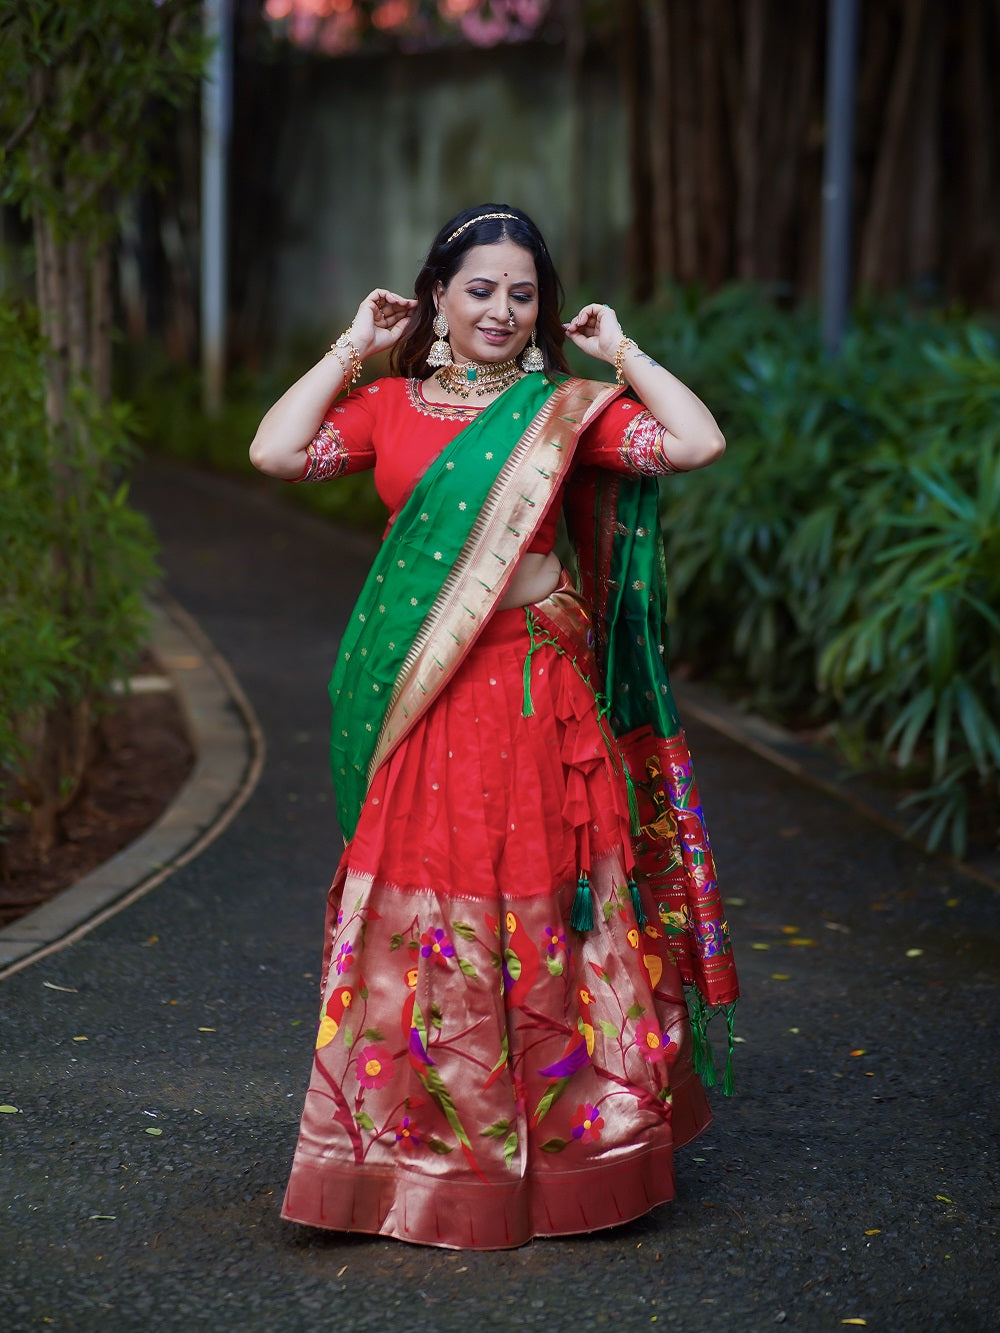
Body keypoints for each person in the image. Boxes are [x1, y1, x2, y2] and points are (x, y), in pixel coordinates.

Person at [250, 204, 739, 1250]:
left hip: (533, 697)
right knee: (427, 912)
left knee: (552, 906)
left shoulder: (563, 408)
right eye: (479, 288)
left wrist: (621, 354)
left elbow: (695, 441)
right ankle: (414, 1154)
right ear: (436, 296)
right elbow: (275, 451)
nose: (501, 310)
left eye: (522, 293)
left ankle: (575, 1156)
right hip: (423, 699)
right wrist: (351, 347)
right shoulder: (386, 404)